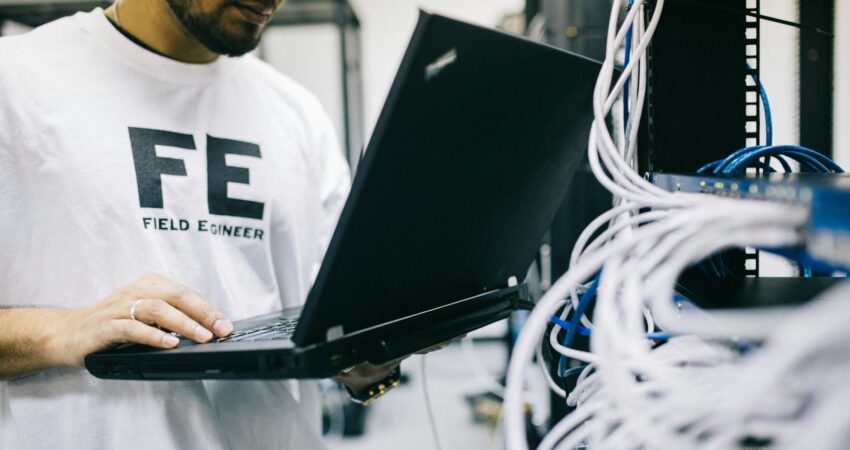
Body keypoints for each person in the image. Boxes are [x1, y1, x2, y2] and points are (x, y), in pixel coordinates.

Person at [0, 0, 401, 448]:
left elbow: (333, 319)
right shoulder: (14, 82)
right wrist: (62, 331)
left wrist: (372, 356)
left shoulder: (299, 114)